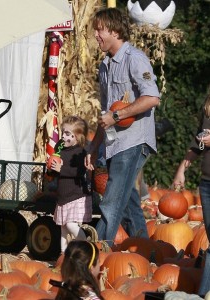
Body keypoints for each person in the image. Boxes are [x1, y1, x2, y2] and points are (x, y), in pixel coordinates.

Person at [84, 8, 160, 246]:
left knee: (112, 200)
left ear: (115, 30)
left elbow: (152, 98)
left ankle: (96, 252)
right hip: (113, 142)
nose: (96, 35)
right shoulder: (105, 65)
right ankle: (147, 254)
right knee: (127, 202)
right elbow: (106, 114)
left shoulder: (134, 59)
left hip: (134, 140)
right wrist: (94, 147)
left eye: (100, 29)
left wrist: (117, 116)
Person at [173, 92, 210, 296]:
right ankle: (204, 294)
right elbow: (197, 145)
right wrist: (181, 170)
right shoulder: (207, 109)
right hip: (206, 183)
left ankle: (204, 293)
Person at [49, 115, 92, 253]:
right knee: (63, 228)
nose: (63, 136)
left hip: (76, 195)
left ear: (78, 137)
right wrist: (52, 168)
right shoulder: (60, 149)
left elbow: (79, 171)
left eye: (68, 134)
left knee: (71, 225)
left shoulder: (80, 152)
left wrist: (61, 169)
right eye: (63, 132)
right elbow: (57, 173)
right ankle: (63, 254)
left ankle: (87, 247)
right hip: (63, 196)